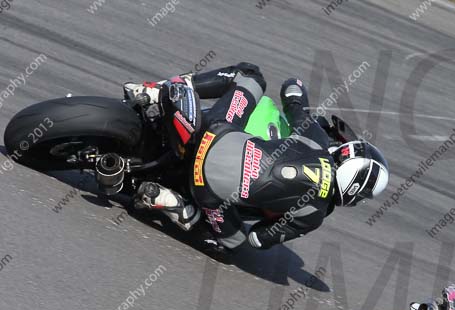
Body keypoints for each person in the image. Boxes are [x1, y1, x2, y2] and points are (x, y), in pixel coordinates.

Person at [113, 63, 388, 251]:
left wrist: (296, 85)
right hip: (207, 191)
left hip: (215, 133)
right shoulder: (312, 216)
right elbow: (258, 239)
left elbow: (294, 102)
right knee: (236, 244)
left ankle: (157, 91)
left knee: (250, 75)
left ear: (344, 156)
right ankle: (175, 205)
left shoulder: (315, 140)